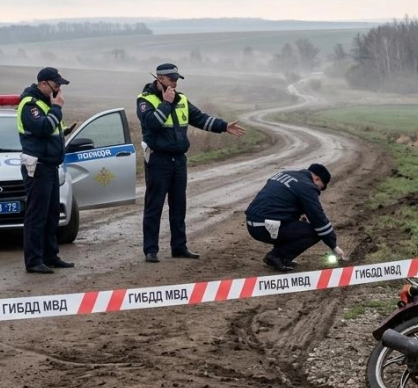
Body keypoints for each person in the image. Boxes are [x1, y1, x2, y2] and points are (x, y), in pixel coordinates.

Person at [136, 63, 246, 263]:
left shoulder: (182, 99)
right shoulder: (145, 100)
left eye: (176, 79)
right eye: (171, 79)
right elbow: (151, 124)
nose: (175, 83)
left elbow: (200, 119)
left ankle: (179, 247)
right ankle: (150, 250)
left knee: (179, 206)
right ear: (160, 79)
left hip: (179, 159)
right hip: (158, 159)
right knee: (154, 206)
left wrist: (223, 126)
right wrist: (166, 103)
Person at [18, 66, 75, 274]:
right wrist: (57, 108)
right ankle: (34, 261)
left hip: (50, 166)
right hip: (38, 167)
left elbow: (50, 130)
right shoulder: (30, 104)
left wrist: (64, 131)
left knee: (51, 215)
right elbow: (42, 128)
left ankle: (51, 256)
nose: (58, 89)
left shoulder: (45, 103)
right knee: (37, 215)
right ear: (43, 84)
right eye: (56, 85)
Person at [244, 163, 347, 272]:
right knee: (316, 232)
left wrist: (297, 216)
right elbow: (319, 220)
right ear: (317, 179)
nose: (317, 192)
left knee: (297, 225)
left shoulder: (285, 174)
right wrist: (334, 246)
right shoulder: (307, 186)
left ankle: (278, 256)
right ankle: (278, 255)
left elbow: (278, 203)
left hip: (252, 223)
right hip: (265, 227)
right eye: (319, 188)